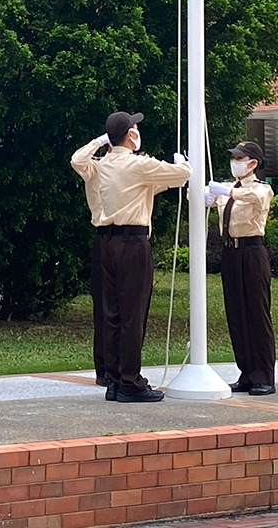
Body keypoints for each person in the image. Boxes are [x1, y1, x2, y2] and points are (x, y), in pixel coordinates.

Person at [69, 111, 189, 404]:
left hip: (105, 243)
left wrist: (100, 141)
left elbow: (77, 159)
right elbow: (182, 175)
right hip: (132, 243)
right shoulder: (139, 165)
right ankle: (131, 382)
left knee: (111, 314)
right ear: (131, 135)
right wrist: (184, 162)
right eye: (135, 129)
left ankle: (113, 380)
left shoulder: (99, 166)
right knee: (132, 315)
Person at [206, 141, 275, 395]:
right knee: (236, 314)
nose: (234, 162)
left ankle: (264, 376)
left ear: (253, 163)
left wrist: (225, 191)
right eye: (234, 157)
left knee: (256, 313)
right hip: (230, 253)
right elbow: (204, 199)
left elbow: (254, 198)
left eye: (239, 158)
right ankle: (246, 373)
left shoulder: (260, 189)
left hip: (251, 252)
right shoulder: (228, 189)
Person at [70, 134, 111, 388]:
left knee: (128, 308)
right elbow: (77, 160)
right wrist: (100, 141)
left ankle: (122, 368)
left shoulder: (134, 166)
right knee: (104, 307)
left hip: (133, 237)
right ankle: (104, 369)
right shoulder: (96, 167)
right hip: (105, 235)